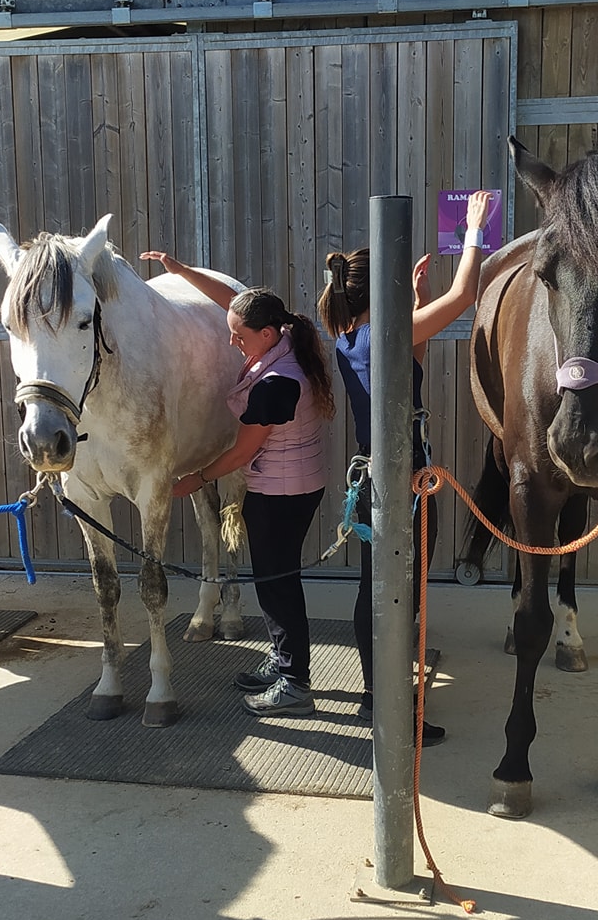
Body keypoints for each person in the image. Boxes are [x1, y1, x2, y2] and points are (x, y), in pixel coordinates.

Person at [317, 189, 492, 745]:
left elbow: (405, 366)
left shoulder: (349, 335)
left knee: (383, 587)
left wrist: (416, 295)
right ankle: (389, 706)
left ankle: (382, 695)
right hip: (402, 483)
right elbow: (465, 293)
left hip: (385, 477)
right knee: (396, 593)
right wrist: (472, 228)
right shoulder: (384, 332)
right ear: (382, 291)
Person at [140, 250, 335, 717]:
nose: (231, 342)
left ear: (265, 334)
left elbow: (243, 453)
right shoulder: (282, 337)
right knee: (275, 581)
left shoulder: (275, 384)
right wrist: (183, 273)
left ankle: (294, 684)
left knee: (277, 585)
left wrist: (196, 479)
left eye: (238, 336)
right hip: (295, 484)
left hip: (282, 493)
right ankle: (284, 661)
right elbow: (236, 302)